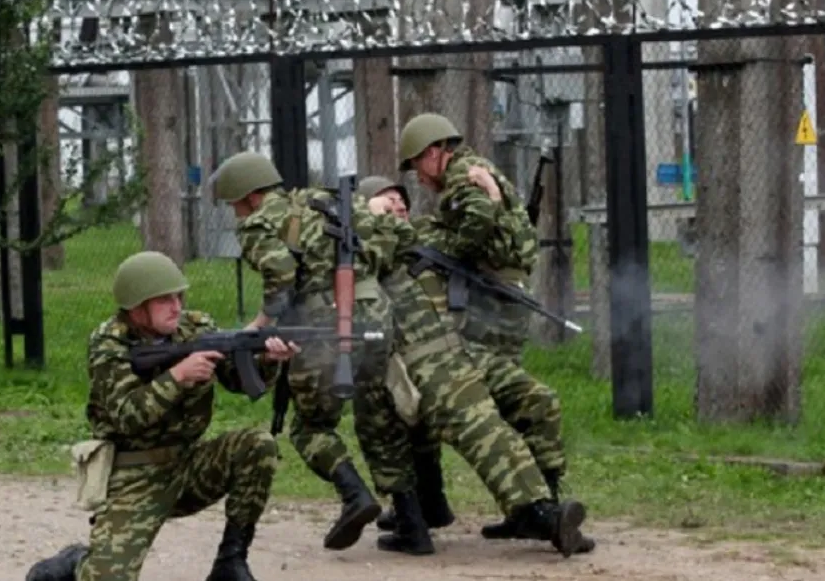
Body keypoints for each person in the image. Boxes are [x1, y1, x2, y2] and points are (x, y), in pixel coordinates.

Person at [388, 112, 595, 554]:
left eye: (416, 167)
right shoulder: (471, 175)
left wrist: (456, 253)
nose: (418, 182)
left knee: (517, 398)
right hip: (479, 315)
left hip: (490, 304)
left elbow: (477, 218)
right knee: (491, 405)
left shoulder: (463, 179)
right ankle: (533, 508)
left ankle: (537, 508)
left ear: (433, 152)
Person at [25, 251, 298, 581]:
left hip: (187, 465)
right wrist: (178, 377)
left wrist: (267, 359)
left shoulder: (194, 329)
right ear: (137, 306)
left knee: (257, 445)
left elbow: (239, 380)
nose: (177, 306)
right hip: (133, 475)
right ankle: (76, 562)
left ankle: (230, 562)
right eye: (164, 300)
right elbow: (127, 415)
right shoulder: (110, 344)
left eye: (179, 296)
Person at [208, 152, 397, 552]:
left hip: (322, 328)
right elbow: (385, 239)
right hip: (377, 316)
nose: (235, 214)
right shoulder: (322, 202)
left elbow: (280, 273)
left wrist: (262, 325)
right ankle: (413, 523)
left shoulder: (260, 224)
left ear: (249, 197)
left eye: (234, 205)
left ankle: (355, 496)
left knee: (310, 427)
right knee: (378, 415)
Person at [356, 176, 456, 535]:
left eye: (401, 203)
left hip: (423, 353)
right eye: (387, 202)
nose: (397, 207)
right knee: (409, 425)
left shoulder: (416, 240)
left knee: (382, 424)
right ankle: (428, 507)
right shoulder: (366, 243)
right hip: (404, 350)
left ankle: (414, 517)